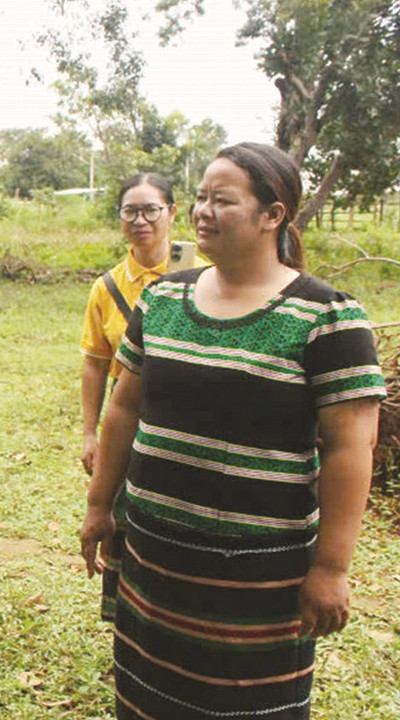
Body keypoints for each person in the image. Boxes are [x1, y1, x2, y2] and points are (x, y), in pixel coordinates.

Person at [79, 142, 385, 719]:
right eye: (200, 197)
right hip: (154, 559)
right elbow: (123, 409)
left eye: (222, 200)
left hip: (258, 579)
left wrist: (330, 568)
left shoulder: (326, 318)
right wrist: (100, 506)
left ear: (273, 215)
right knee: (148, 699)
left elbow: (351, 449)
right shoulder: (163, 299)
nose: (202, 211)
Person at [78, 172, 182, 623]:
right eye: (130, 211)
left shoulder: (203, 275)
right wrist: (89, 433)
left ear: (172, 213)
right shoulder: (108, 288)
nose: (140, 221)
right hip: (129, 426)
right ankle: (129, 623)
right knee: (124, 522)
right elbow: (95, 362)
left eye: (150, 210)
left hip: (184, 425)